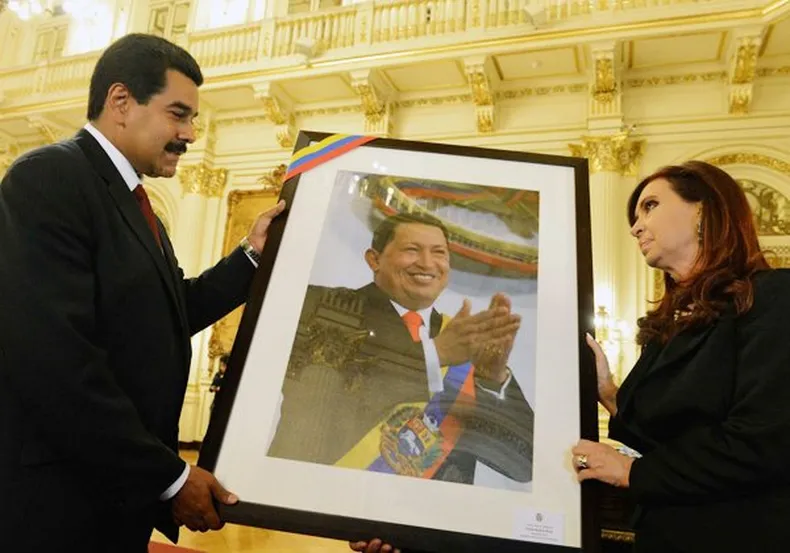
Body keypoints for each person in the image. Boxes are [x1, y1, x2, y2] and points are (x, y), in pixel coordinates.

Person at [0, 34, 285, 553]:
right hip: (58, 504)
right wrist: (170, 476)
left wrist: (252, 255)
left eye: (192, 119)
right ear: (121, 102)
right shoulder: (49, 178)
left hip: (112, 498)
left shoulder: (137, 203)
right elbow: (56, 361)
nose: (190, 133)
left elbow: (168, 314)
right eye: (178, 114)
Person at [570, 160, 790, 552]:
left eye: (650, 206)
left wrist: (632, 472)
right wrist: (607, 391)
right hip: (664, 533)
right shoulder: (668, 326)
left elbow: (762, 443)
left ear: (703, 208)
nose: (635, 227)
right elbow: (662, 435)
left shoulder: (774, 296)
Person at [268, 212, 534, 486]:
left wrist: (492, 379)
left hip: (429, 511)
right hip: (328, 500)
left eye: (439, 253)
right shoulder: (320, 305)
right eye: (412, 250)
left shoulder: (463, 341)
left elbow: (523, 465)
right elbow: (317, 410)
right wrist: (433, 357)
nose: (427, 263)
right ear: (374, 259)